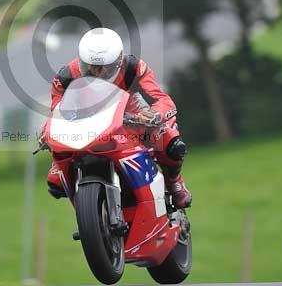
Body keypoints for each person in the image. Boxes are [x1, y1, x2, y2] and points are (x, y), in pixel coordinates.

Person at [44, 27, 192, 209]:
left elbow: (161, 99)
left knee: (169, 140)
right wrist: (52, 131)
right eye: (90, 67)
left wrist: (153, 115)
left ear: (118, 62)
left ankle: (174, 181)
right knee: (55, 175)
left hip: (130, 121)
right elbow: (57, 110)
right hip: (87, 125)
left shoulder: (134, 68)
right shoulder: (66, 76)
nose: (97, 73)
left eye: (104, 69)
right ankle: (64, 173)